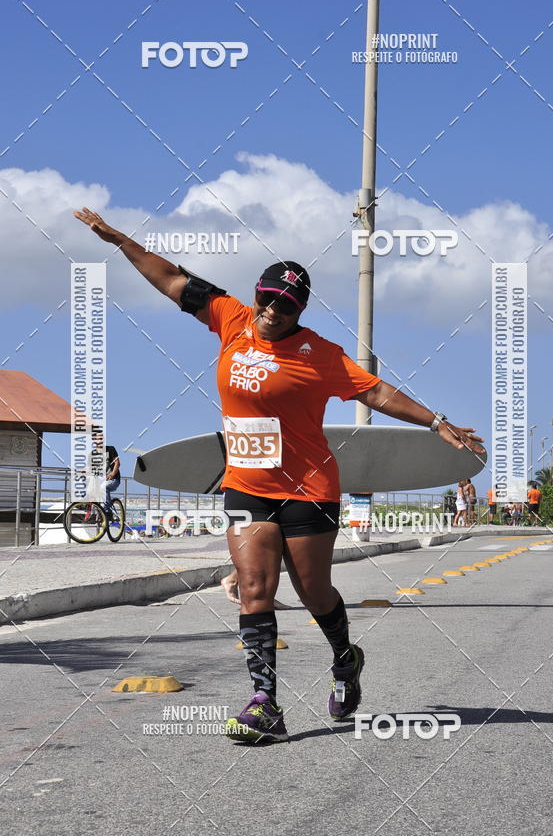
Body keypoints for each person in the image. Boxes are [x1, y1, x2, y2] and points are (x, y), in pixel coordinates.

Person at [74, 207, 484, 744]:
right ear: (257, 293)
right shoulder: (231, 318)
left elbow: (377, 392)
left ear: (300, 310)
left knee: (314, 592)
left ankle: (345, 658)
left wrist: (435, 421)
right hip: (247, 486)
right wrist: (119, 240)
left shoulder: (321, 355)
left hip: (309, 488)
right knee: (254, 589)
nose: (272, 310)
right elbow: (171, 279)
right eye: (266, 298)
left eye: (285, 306)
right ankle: (264, 703)